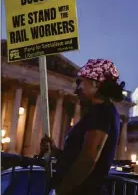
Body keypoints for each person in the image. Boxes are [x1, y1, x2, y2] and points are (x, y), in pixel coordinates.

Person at [40, 59, 126, 195]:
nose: (76, 89)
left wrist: (59, 192)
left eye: (80, 82)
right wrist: (56, 152)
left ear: (95, 84)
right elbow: (78, 157)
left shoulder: (102, 113)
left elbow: (88, 160)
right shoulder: (101, 112)